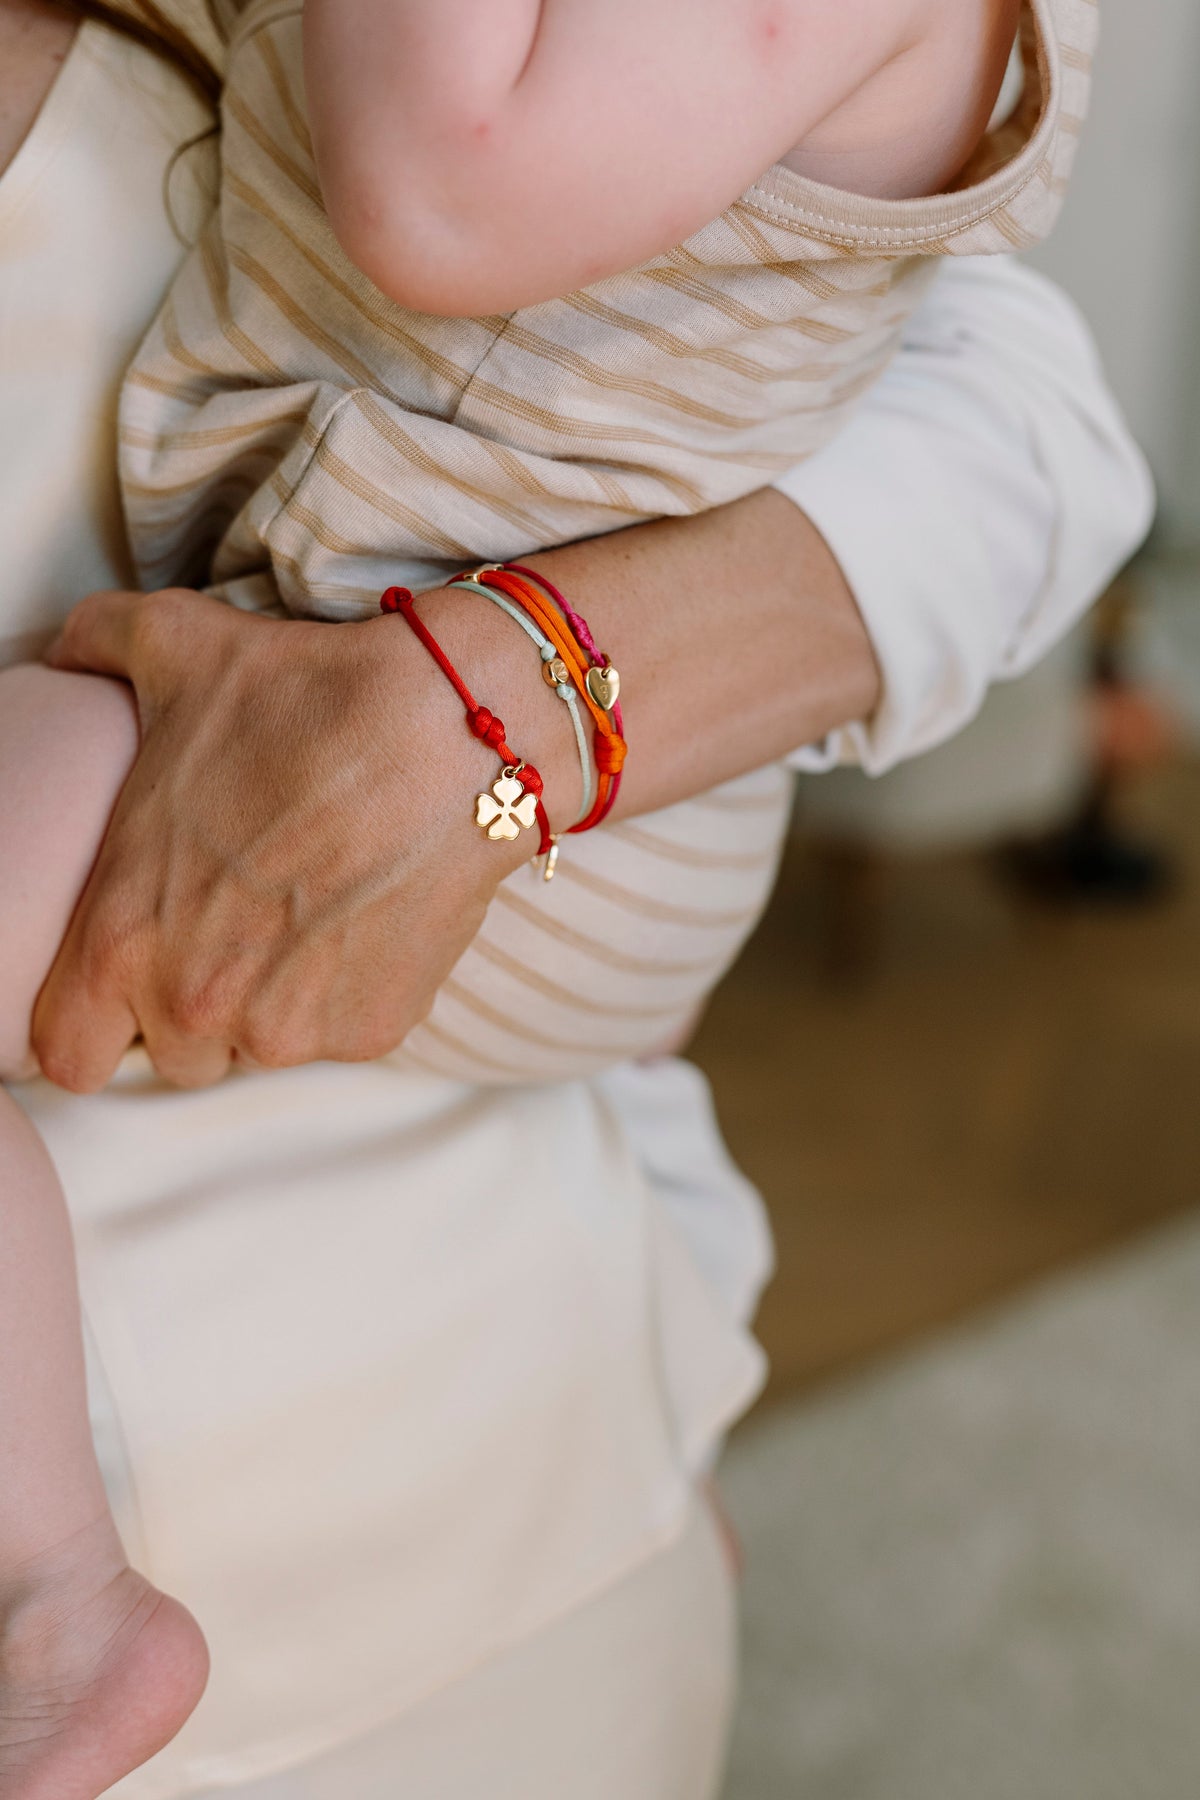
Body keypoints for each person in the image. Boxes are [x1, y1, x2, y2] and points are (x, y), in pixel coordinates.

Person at [0, 3, 1151, 1797]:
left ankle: (56, 1598)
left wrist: (509, 710)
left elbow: (1016, 405)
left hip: (483, 1416)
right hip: (440, 1319)